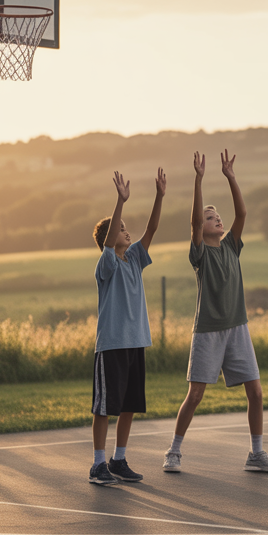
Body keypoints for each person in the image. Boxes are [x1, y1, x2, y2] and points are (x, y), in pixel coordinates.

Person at [163, 150, 268, 475]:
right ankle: (173, 451)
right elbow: (192, 221)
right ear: (200, 230)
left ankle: (256, 454)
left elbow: (242, 212)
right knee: (196, 394)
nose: (216, 219)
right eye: (209, 218)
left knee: (256, 392)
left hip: (238, 328)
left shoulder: (231, 246)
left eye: (217, 216)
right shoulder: (200, 253)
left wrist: (231, 176)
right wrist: (199, 178)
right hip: (208, 331)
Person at [88, 168, 165, 486]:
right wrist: (120, 201)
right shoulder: (106, 264)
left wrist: (160, 196)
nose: (126, 231)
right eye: (120, 229)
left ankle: (119, 460)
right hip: (112, 345)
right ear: (108, 239)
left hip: (136, 342)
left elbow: (151, 228)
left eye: (125, 227)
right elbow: (108, 242)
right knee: (105, 407)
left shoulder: (134, 258)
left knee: (130, 405)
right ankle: (98, 465)